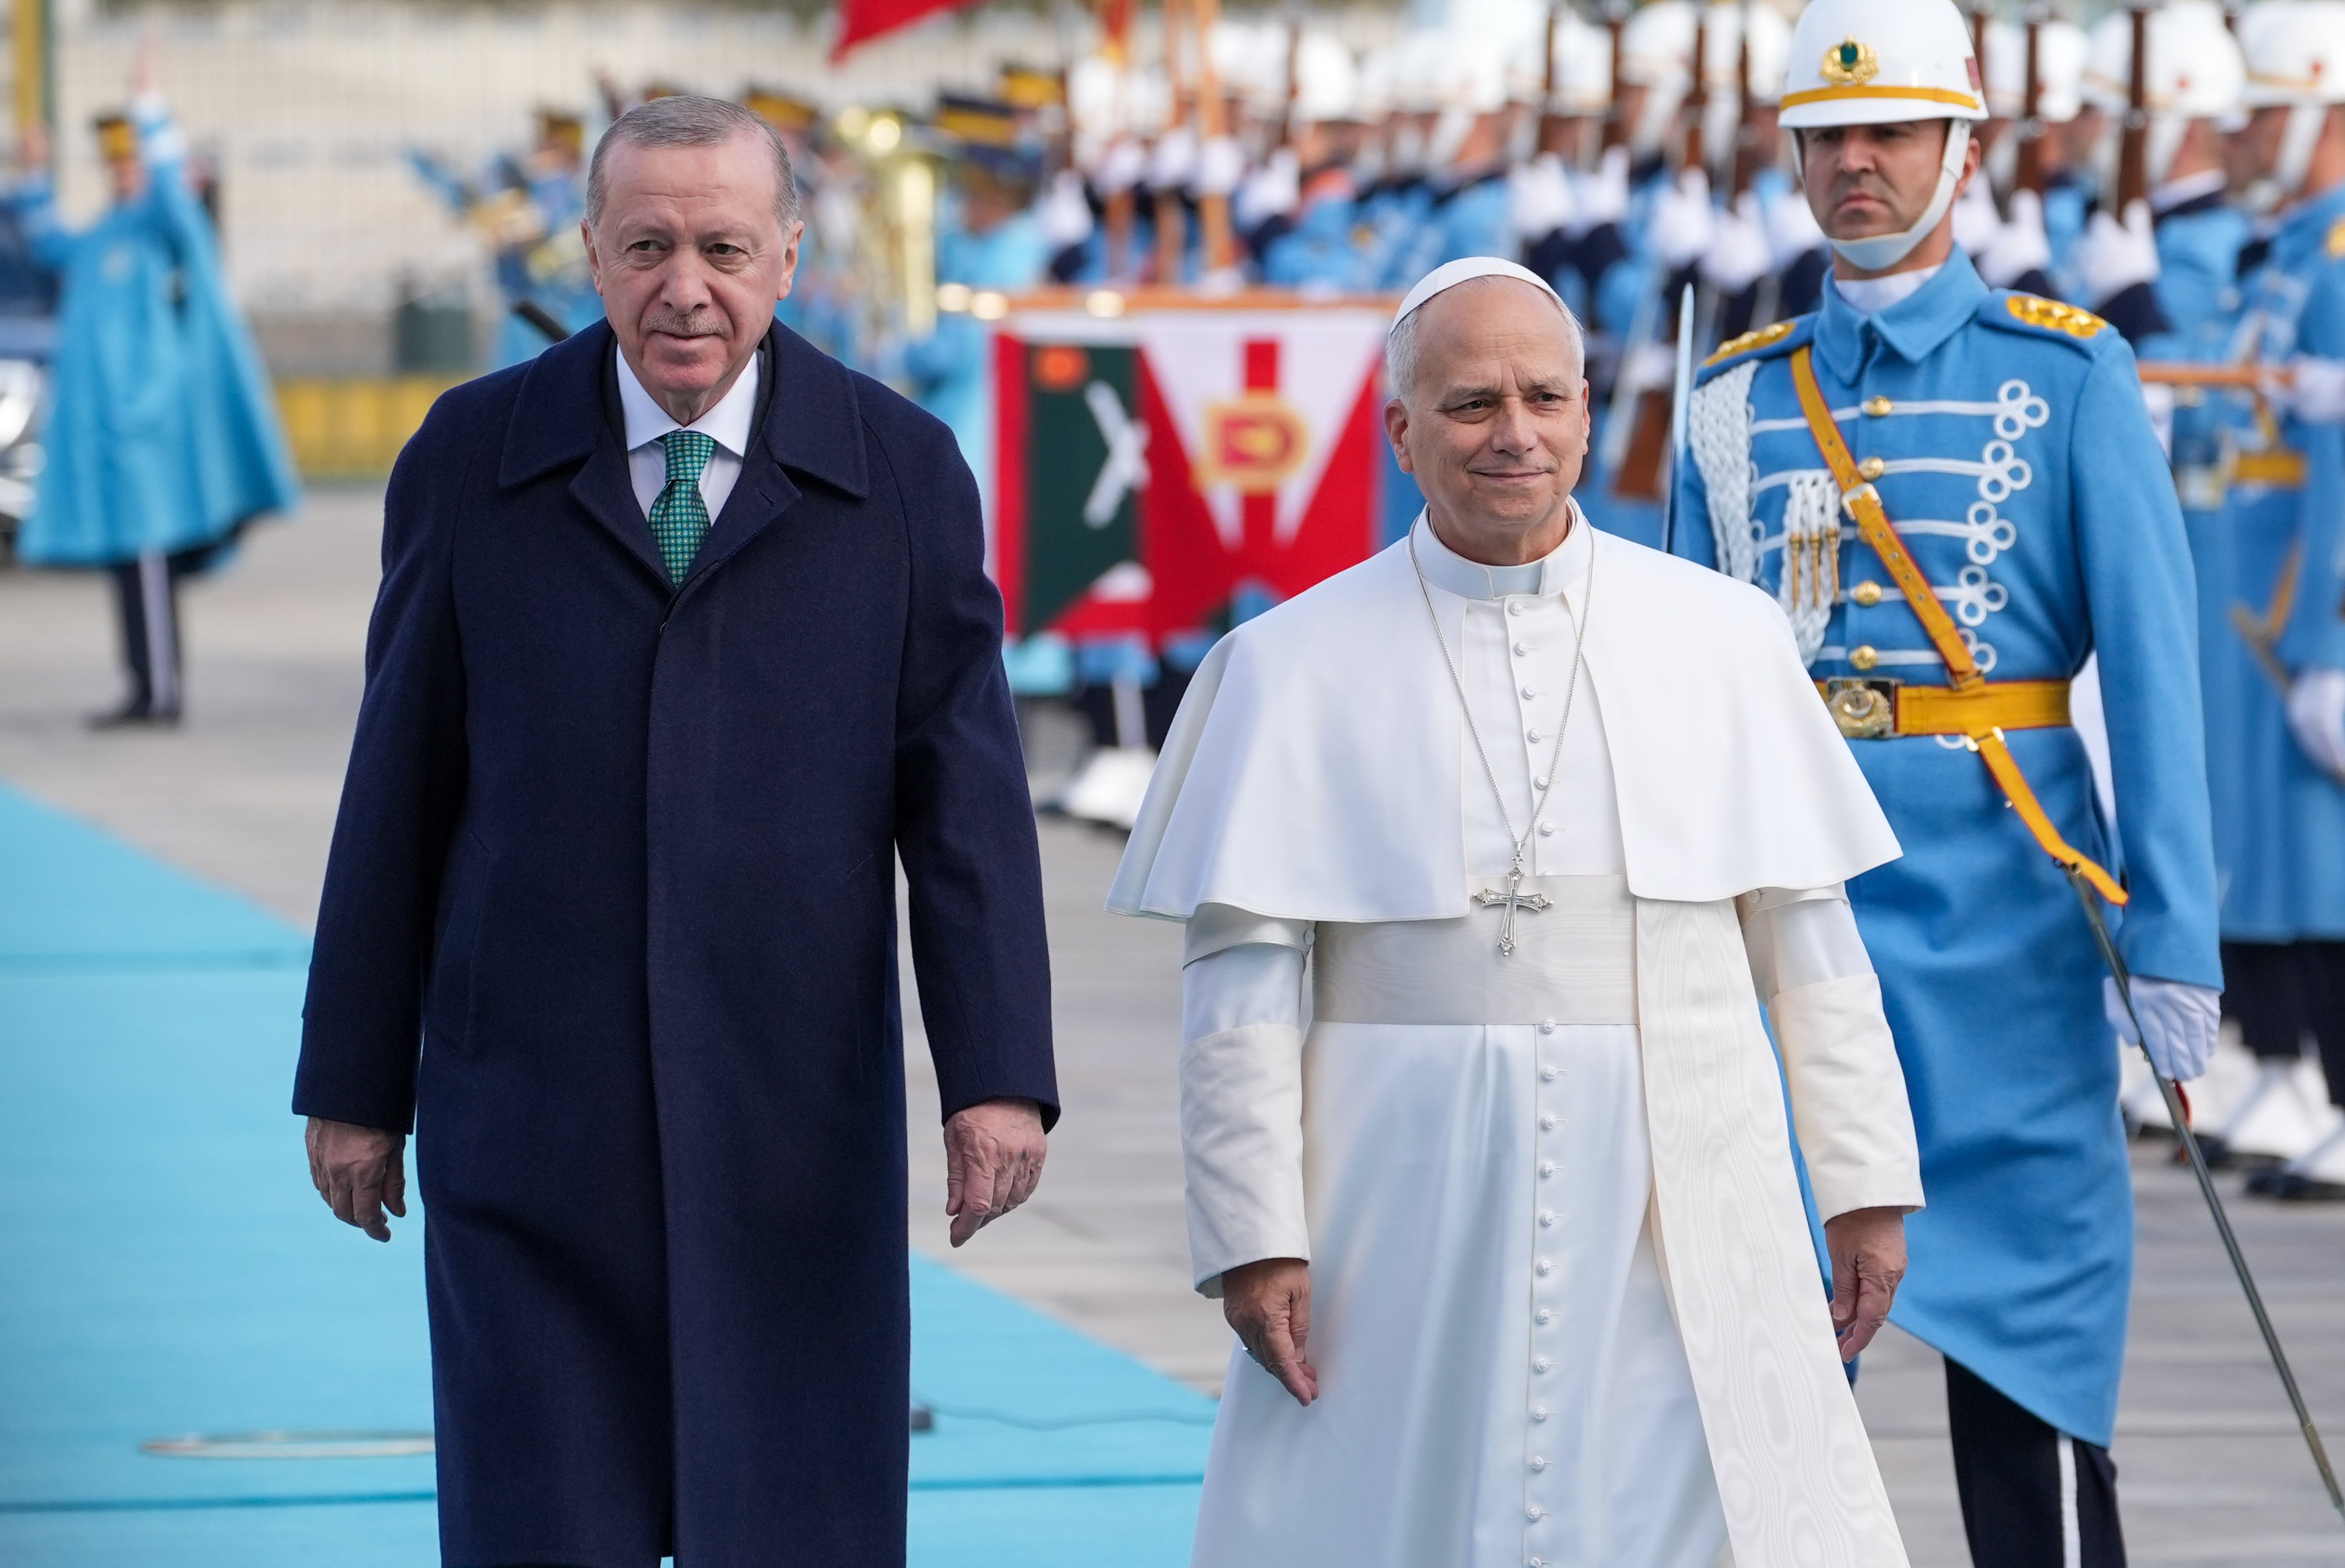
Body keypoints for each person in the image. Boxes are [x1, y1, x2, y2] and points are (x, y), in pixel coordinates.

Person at [293, 96, 1056, 1566]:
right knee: (542, 1524)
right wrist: (354, 1078)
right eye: (646, 246)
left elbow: (962, 801)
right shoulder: (470, 457)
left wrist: (996, 1078)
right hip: (527, 1118)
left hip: (792, 1133)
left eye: (721, 245)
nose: (683, 286)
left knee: (792, 1524)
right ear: (589, 252)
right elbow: (396, 786)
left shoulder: (897, 472)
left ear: (786, 258)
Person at [1112, 256, 1925, 1567]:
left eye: (1544, 396)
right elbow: (1240, 989)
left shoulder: (1717, 636)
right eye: (1472, 402)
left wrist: (1864, 1184)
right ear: (1401, 430)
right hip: (1395, 1182)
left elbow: (1810, 943)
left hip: (1680, 1163)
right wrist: (1250, 1232)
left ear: (1588, 413)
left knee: (1684, 1506)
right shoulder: (1285, 663)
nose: (1515, 432)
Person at [1673, 0, 2222, 1559]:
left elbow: (2155, 682)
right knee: (1760, 1358)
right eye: (1825, 137)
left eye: (1890, 132)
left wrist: (2171, 942)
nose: (1854, 162)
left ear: (1961, 152)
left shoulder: (2068, 378)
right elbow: (1663, 696)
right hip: (1784, 926)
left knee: (2030, 1363)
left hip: (2008, 926)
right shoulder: (1730, 396)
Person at [8, 58, 297, 727]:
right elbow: (51, 244)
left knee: (148, 560)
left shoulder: (167, 235)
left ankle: (161, 693)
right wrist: (33, 171)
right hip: (106, 429)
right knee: (128, 566)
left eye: (133, 163)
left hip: (146, 427)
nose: (123, 175)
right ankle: (142, 685)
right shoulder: (106, 235)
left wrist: (150, 108)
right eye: (117, 166)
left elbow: (176, 198)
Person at [2188, 0, 2345, 1196]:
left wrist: (2329, 626)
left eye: (2261, 114)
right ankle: (2293, 1062)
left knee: (2318, 856)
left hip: (2305, 596)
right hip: (2250, 595)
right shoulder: (2290, 255)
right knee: (2272, 849)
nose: (2236, 138)